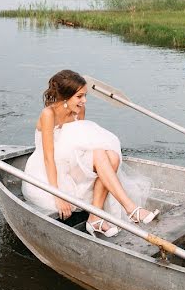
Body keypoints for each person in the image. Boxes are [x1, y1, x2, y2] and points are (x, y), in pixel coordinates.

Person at [22, 70, 159, 237]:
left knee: (113, 157)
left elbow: (82, 142)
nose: (84, 101)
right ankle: (130, 208)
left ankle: (95, 216)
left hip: (72, 161)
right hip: (51, 169)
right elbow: (48, 158)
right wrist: (57, 195)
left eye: (85, 95)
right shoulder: (48, 114)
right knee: (100, 154)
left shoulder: (79, 110)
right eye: (79, 96)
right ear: (66, 97)